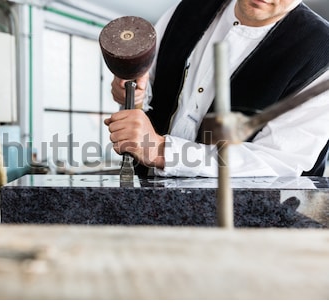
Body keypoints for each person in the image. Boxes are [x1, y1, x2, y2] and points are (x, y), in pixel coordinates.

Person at [104, 0, 329, 177]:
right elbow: (148, 83)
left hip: (251, 220)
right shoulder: (187, 9)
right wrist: (134, 93)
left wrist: (163, 151)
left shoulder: (322, 52)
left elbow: (277, 161)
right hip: (149, 199)